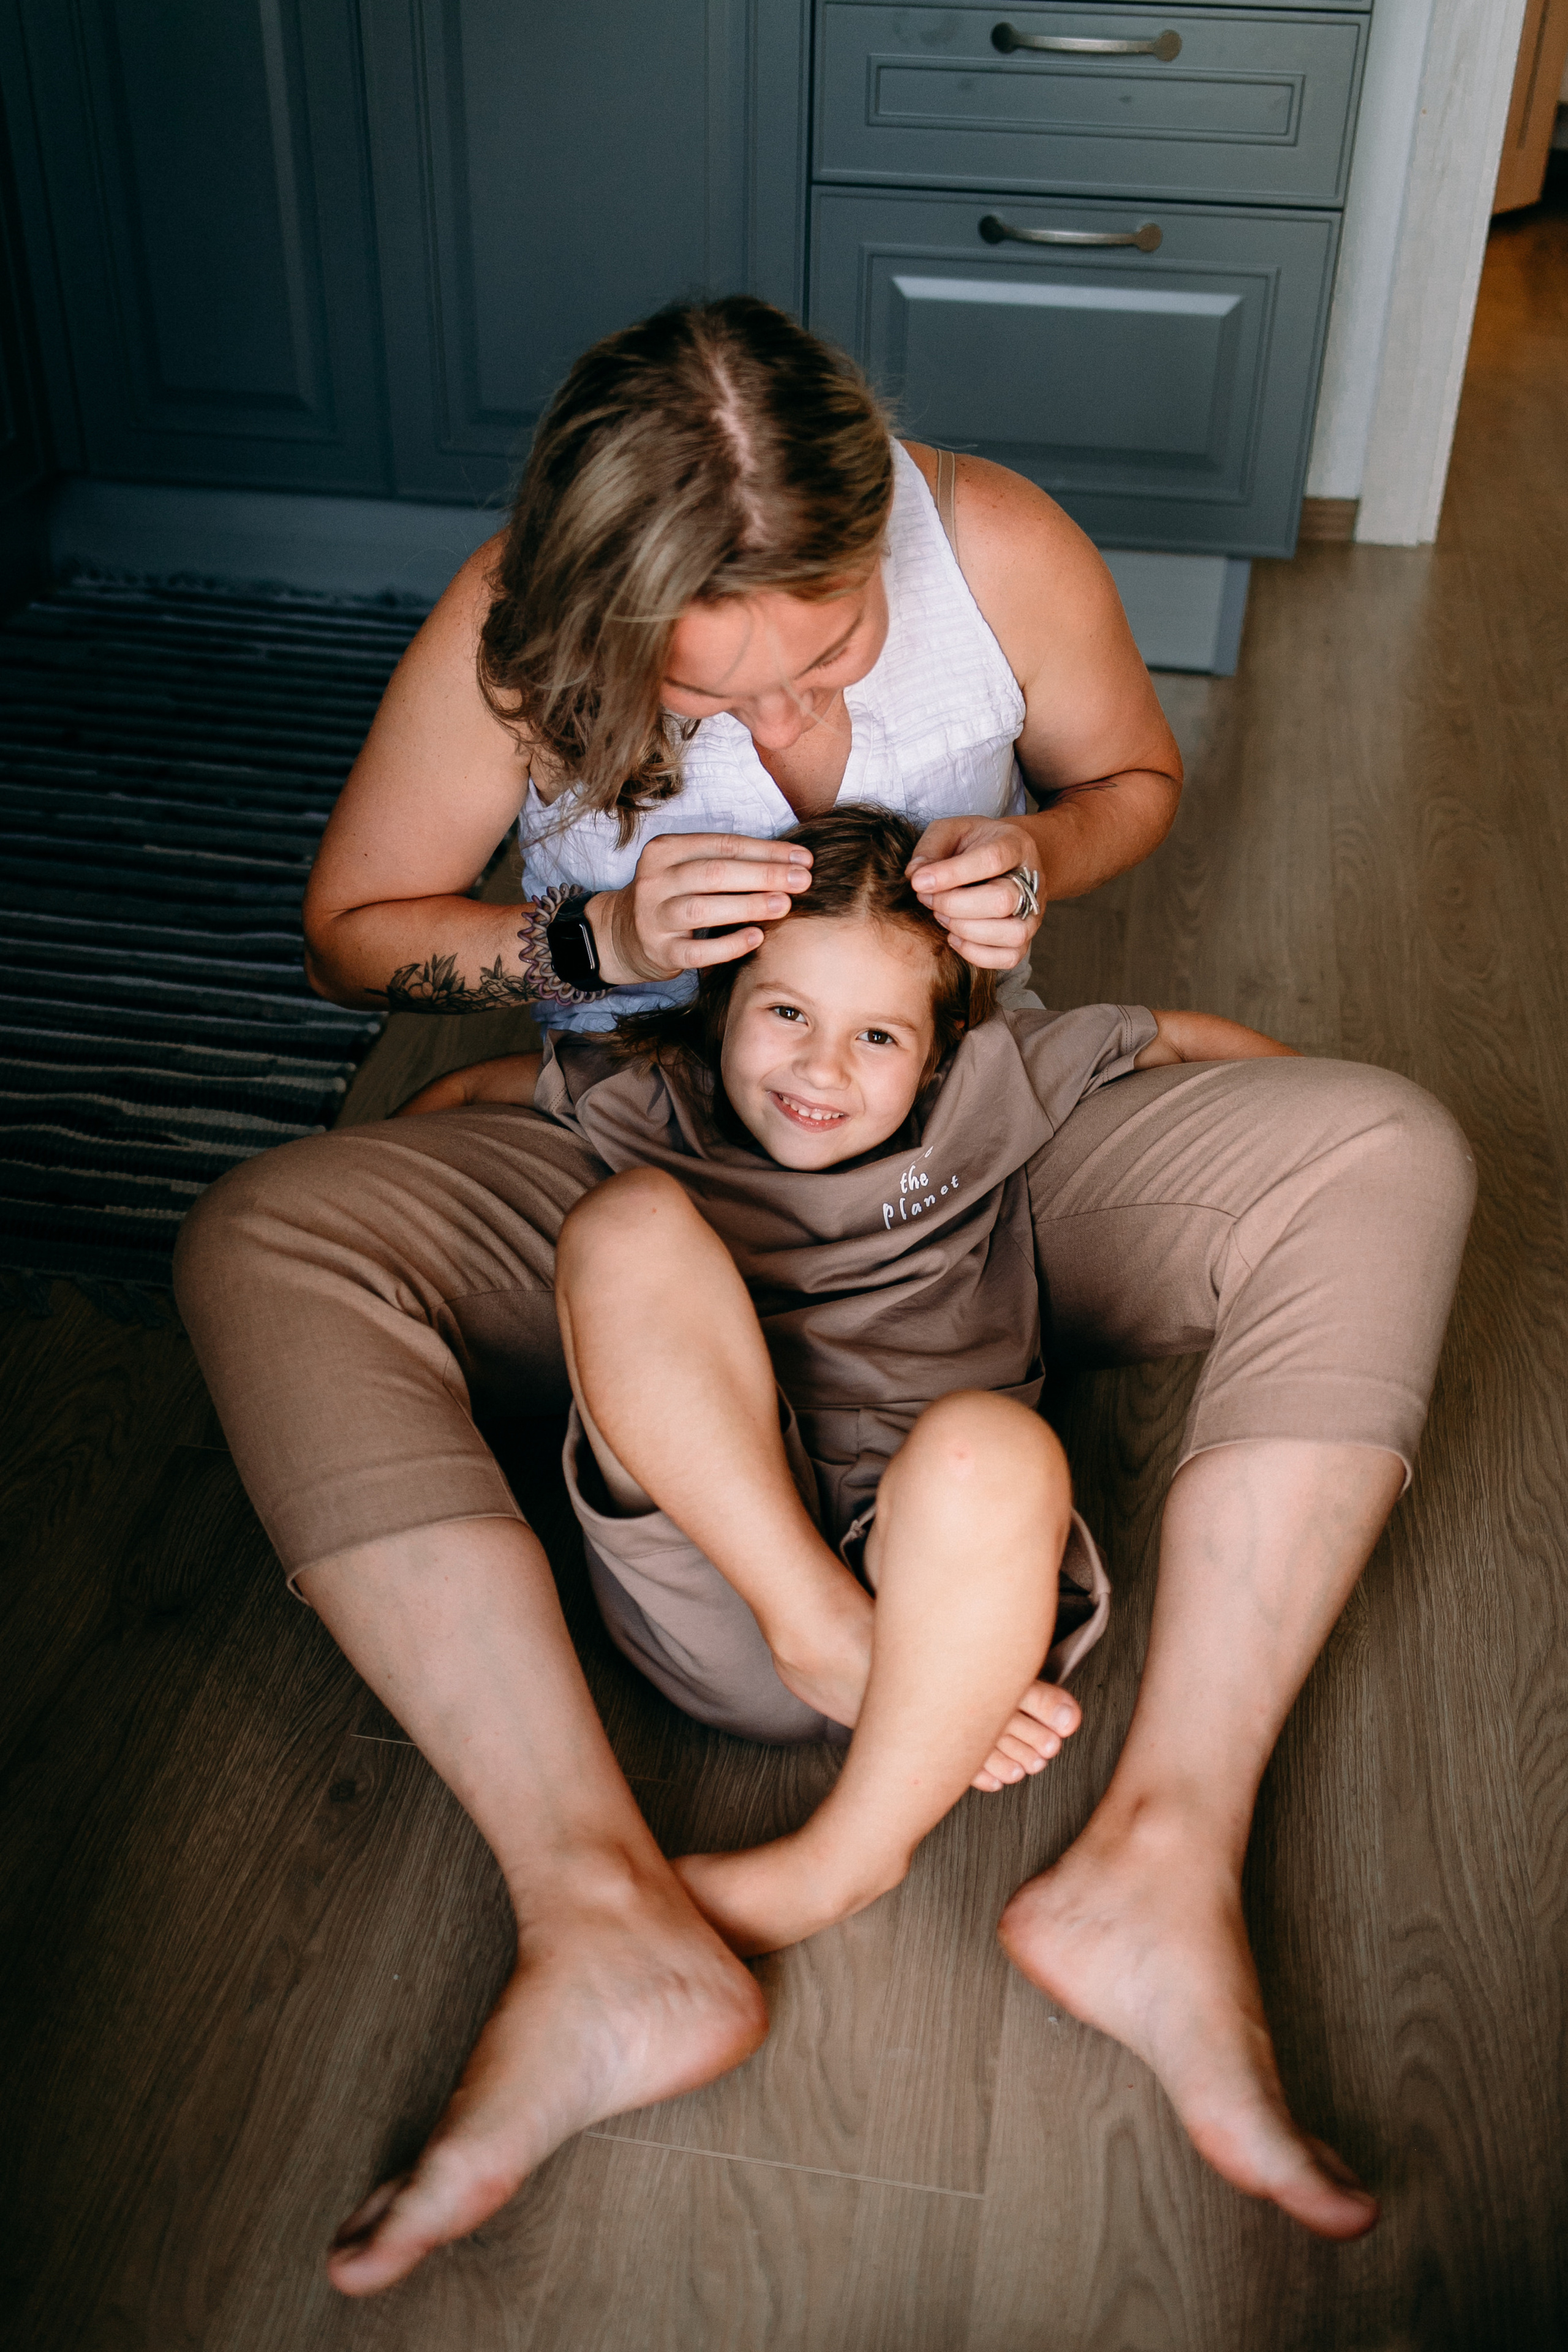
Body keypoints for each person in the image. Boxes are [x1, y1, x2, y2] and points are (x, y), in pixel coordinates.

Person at [172, 293, 1476, 2296]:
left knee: (1389, 1145)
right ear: (611, 611)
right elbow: (352, 932)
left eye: (837, 654)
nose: (785, 730)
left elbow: (1134, 772)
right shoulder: (513, 619)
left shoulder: (998, 543)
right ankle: (598, 1905)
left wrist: (1038, 852)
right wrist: (581, 937)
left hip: (975, 1138)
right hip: (644, 1143)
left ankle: (1160, 1859)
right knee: (262, 1244)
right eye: (716, 695)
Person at [514, 804, 1295, 1959]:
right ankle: (838, 1644)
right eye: (786, 1013)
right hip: (718, 1583)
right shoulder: (641, 1100)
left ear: (936, 1054)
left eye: (879, 1038)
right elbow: (466, 1112)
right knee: (622, 1224)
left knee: (994, 1448)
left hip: (939, 1597)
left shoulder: (990, 1088)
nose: (822, 1068)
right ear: (720, 1003)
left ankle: (847, 1855)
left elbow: (1178, 1040)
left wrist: (1308, 1143)